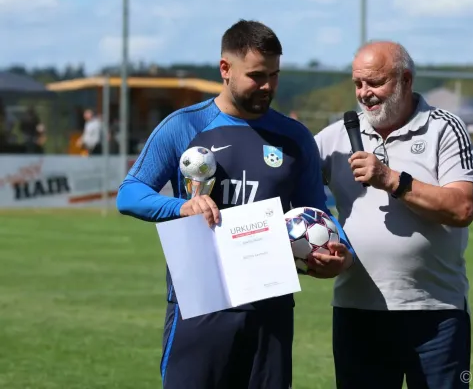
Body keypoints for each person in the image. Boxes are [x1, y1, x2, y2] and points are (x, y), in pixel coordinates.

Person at [116, 19, 355, 389]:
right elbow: (130, 193)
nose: (267, 86)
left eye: (274, 75)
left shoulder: (294, 138)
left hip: (270, 307)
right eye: (257, 75)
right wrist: (180, 208)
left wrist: (342, 252)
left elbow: (317, 210)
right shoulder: (185, 125)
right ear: (225, 69)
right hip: (199, 304)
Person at [314, 40, 473, 389]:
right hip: (356, 311)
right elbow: (289, 187)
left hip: (435, 312)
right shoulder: (334, 137)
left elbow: (461, 208)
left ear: (405, 79)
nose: (364, 93)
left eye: (375, 82)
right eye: (358, 84)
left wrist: (390, 179)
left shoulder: (444, 128)